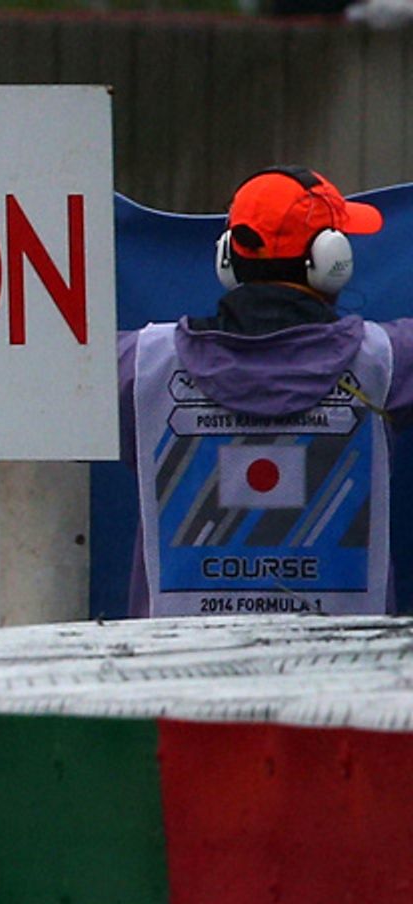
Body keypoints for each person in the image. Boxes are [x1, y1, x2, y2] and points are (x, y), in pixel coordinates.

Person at [120, 166, 413, 617]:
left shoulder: (140, 365)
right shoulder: (387, 362)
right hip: (346, 676)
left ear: (227, 259)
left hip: (174, 675)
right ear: (332, 259)